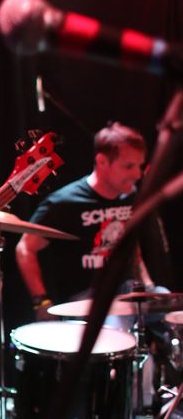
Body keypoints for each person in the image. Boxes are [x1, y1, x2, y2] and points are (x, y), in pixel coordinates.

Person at [15, 122, 169, 320]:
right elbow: (25, 248)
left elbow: (133, 247)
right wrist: (41, 301)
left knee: (173, 310)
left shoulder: (131, 196)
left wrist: (147, 285)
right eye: (128, 166)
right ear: (102, 161)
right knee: (115, 323)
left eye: (139, 166)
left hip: (127, 292)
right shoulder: (64, 202)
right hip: (84, 299)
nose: (137, 174)